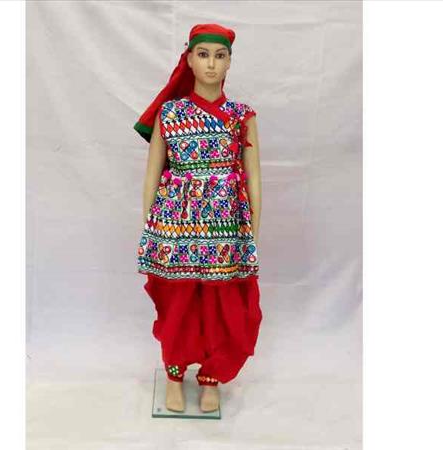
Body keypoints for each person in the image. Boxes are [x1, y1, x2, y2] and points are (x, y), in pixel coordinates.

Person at [134, 23, 263, 413]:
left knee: (221, 306)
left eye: (219, 56)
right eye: (203, 54)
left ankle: (211, 377)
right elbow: (152, 175)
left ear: (229, 63)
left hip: (226, 230)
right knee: (177, 303)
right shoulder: (169, 114)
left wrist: (251, 234)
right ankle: (174, 374)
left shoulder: (242, 116)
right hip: (175, 227)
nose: (211, 64)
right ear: (189, 59)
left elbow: (254, 178)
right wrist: (151, 229)